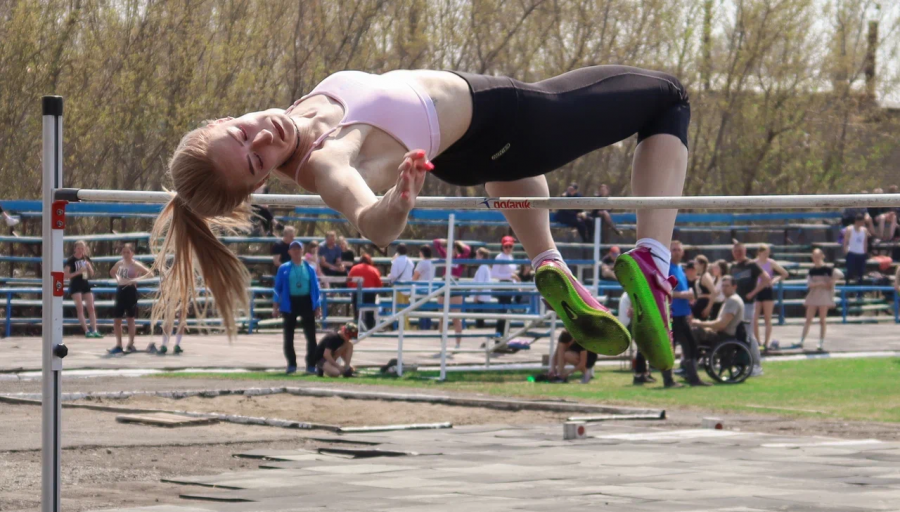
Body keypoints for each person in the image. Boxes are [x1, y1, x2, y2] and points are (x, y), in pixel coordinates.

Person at [153, 65, 690, 369]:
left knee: (514, 175)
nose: (263, 137)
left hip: (467, 151)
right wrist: (398, 200)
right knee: (668, 98)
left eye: (243, 133)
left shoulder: (296, 116)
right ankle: (653, 261)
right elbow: (371, 222)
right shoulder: (327, 161)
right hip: (506, 118)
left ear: (225, 118)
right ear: (260, 184)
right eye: (255, 160)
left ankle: (547, 261)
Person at [664, 241, 708, 387]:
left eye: (679, 250)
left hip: (682, 313)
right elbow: (663, 292)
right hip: (673, 314)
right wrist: (682, 295)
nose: (677, 252)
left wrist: (689, 301)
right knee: (683, 345)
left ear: (683, 252)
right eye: (674, 250)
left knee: (688, 346)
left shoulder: (680, 269)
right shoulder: (667, 269)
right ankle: (680, 379)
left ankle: (689, 377)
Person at [273, 240, 321, 373]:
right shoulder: (284, 268)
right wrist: (275, 306)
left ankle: (311, 365)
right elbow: (277, 288)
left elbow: (316, 288)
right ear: (289, 252)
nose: (296, 251)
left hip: (306, 302)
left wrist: (317, 306)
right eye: (293, 249)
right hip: (290, 302)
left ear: (302, 251)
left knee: (311, 336)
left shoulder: (309, 268)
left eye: (298, 249)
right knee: (288, 335)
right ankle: (291, 364)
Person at [730, 241, 770, 376]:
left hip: (747, 304)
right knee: (738, 335)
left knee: (748, 334)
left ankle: (756, 365)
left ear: (745, 251)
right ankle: (741, 364)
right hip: (736, 304)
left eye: (740, 251)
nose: (738, 254)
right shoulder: (733, 266)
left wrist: (753, 293)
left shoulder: (752, 265)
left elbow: (766, 279)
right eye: (735, 251)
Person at [108, 244, 150, 354]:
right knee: (117, 319)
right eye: (124, 252)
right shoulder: (119, 263)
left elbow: (149, 273)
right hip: (120, 291)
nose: (126, 254)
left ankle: (130, 344)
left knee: (130, 318)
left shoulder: (135, 264)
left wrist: (136, 279)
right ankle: (118, 345)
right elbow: (112, 271)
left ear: (132, 253)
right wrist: (117, 278)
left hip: (130, 291)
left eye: (128, 252)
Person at [799, 248, 843, 351]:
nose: (816, 259)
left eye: (818, 257)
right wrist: (821, 283)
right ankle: (802, 340)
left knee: (822, 320)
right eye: (814, 257)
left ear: (822, 256)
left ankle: (821, 342)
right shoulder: (812, 270)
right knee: (808, 319)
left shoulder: (828, 269)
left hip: (824, 296)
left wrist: (832, 281)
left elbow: (840, 274)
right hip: (813, 295)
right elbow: (809, 284)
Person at [434, 238, 472, 349]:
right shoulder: (446, 256)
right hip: (443, 284)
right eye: (447, 248)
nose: (447, 250)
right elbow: (436, 243)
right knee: (442, 317)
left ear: (455, 249)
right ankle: (443, 344)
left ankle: (458, 344)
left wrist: (456, 243)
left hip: (454, 285)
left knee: (456, 318)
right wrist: (447, 241)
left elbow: (467, 250)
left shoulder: (460, 258)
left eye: (450, 248)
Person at [752, 244, 789, 350]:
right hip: (757, 290)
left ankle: (766, 342)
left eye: (768, 253)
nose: (766, 255)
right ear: (759, 253)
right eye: (764, 253)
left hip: (767, 290)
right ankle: (757, 341)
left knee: (767, 318)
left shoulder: (771, 262)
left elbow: (784, 273)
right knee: (754, 318)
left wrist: (774, 280)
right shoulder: (754, 263)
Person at [64, 240, 102, 338]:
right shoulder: (71, 260)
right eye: (78, 248)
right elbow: (65, 275)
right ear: (75, 249)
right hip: (75, 285)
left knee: (91, 307)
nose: (80, 250)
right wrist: (78, 272)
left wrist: (89, 267)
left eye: (82, 248)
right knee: (80, 308)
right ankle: (86, 331)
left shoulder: (86, 258)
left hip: (85, 284)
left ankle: (94, 330)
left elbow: (92, 274)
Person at [694, 275, 744, 341]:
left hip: (725, 337)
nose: (724, 288)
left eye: (727, 286)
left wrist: (700, 324)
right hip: (720, 334)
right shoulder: (728, 299)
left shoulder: (733, 300)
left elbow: (722, 325)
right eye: (723, 286)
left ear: (734, 287)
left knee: (695, 331)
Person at [618, 292, 653, 385]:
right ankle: (639, 375)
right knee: (642, 348)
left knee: (643, 348)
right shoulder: (632, 293)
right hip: (629, 325)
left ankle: (644, 373)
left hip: (629, 324)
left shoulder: (629, 293)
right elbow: (633, 312)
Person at [347, 253, 382, 330]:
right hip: (370, 294)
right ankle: (370, 328)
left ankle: (355, 327)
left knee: (357, 311)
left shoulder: (354, 268)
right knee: (370, 313)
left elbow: (349, 282)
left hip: (357, 293)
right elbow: (379, 284)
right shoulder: (374, 269)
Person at [491, 235, 518, 336]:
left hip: (510, 285)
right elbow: (494, 273)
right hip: (503, 285)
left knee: (507, 311)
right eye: (506, 246)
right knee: (503, 310)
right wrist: (509, 276)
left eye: (510, 246)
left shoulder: (510, 257)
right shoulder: (500, 257)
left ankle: (505, 334)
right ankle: (500, 333)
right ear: (502, 247)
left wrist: (515, 283)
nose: (508, 248)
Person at [388, 243, 415, 329]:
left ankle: (404, 329)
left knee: (400, 310)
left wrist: (389, 277)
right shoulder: (410, 261)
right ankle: (406, 328)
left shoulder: (396, 261)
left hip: (399, 288)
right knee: (406, 310)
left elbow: (394, 275)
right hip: (408, 288)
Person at [412, 245, 435, 330]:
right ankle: (427, 328)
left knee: (422, 311)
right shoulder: (432, 263)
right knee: (427, 310)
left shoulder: (422, 263)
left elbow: (415, 276)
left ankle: (423, 328)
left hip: (421, 289)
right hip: (429, 289)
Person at [843, 213, 868, 286]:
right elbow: (845, 241)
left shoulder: (864, 230)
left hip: (861, 254)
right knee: (850, 271)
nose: (862, 223)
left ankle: (859, 290)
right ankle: (847, 286)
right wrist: (846, 251)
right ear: (857, 221)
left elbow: (865, 242)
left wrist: (865, 252)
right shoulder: (849, 229)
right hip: (852, 253)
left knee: (861, 273)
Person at [471, 247, 493, 330]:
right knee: (479, 314)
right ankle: (480, 327)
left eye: (477, 255)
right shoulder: (485, 267)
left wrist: (476, 295)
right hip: (483, 295)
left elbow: (480, 284)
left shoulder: (482, 267)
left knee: (479, 314)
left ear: (481, 255)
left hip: (481, 296)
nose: (476, 257)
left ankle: (480, 328)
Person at [691, 255, 716, 320]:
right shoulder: (701, 276)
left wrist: (708, 308)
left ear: (702, 265)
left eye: (696, 264)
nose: (694, 266)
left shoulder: (705, 276)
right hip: (700, 305)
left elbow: (714, 292)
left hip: (704, 306)